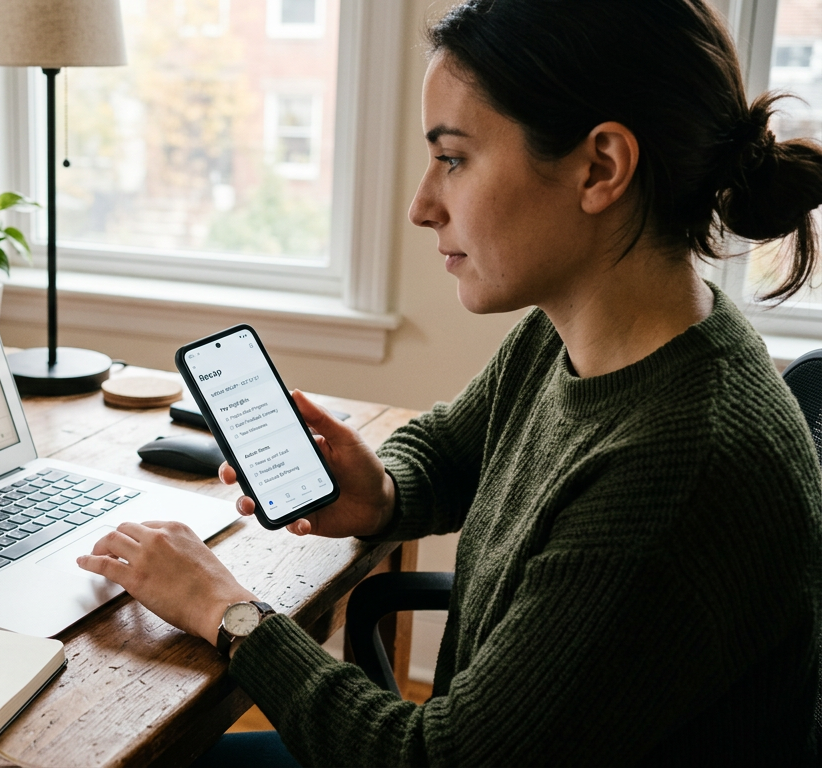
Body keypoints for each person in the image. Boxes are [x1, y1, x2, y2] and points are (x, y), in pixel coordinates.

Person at [77, 0, 822, 764]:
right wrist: (384, 492)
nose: (421, 206)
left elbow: (432, 760)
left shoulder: (681, 469)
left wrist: (229, 611)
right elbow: (452, 448)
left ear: (600, 167)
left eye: (455, 158)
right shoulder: (592, 330)